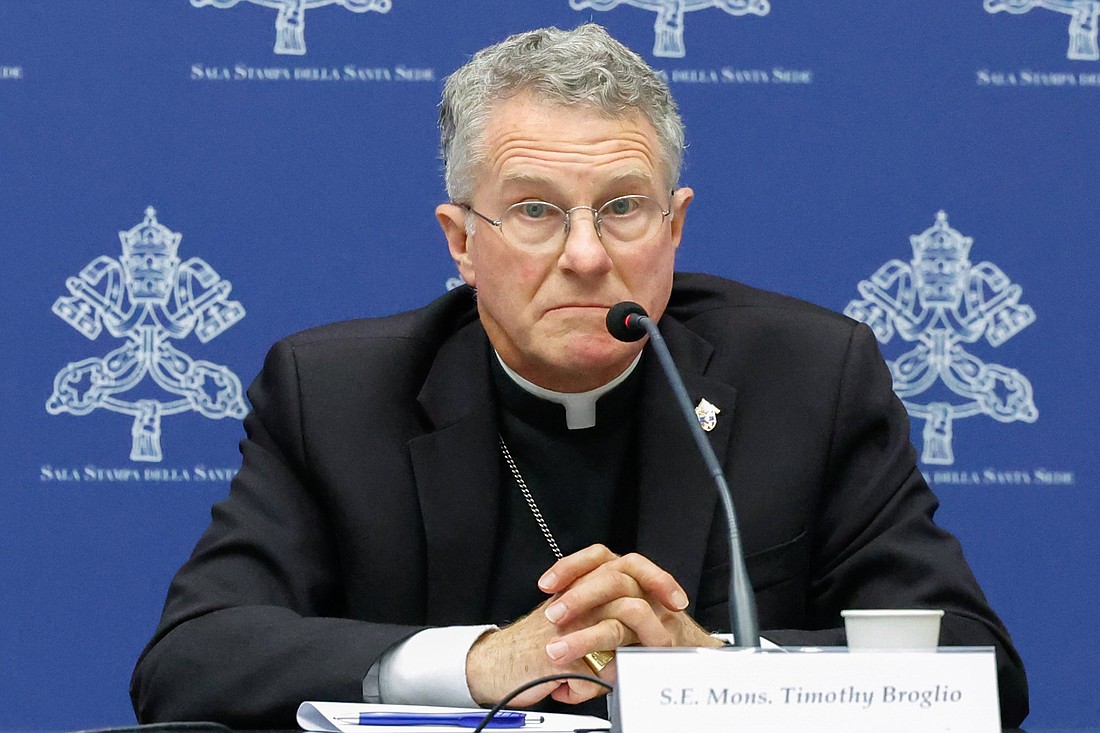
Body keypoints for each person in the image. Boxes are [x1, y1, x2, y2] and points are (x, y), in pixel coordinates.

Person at [130, 23, 1028, 728]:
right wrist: (477, 664)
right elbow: (193, 658)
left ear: (673, 229)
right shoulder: (332, 394)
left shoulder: (811, 377)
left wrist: (720, 671)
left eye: (623, 208)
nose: (589, 256)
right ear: (461, 240)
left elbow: (979, 670)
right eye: (534, 211)